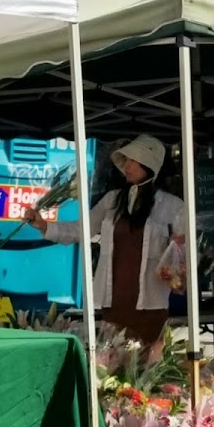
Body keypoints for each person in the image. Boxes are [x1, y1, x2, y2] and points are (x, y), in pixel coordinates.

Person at [29, 134, 184, 344]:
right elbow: (80, 229)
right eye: (125, 161)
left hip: (150, 303)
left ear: (148, 166)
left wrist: (179, 253)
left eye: (132, 161)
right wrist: (44, 225)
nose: (126, 166)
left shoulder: (172, 206)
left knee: (148, 366)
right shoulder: (112, 200)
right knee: (114, 363)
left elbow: (183, 254)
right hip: (114, 301)